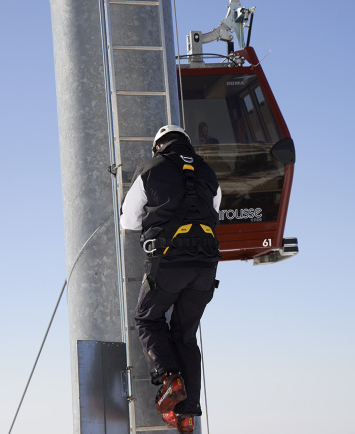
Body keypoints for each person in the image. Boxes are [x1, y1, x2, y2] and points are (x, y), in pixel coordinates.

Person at [120, 125, 221, 433]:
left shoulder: (149, 170)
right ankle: (188, 414)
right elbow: (215, 212)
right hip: (205, 267)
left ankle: (169, 378)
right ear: (186, 144)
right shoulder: (207, 172)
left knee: (148, 319)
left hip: (168, 263)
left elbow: (129, 221)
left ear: (157, 147)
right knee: (186, 336)